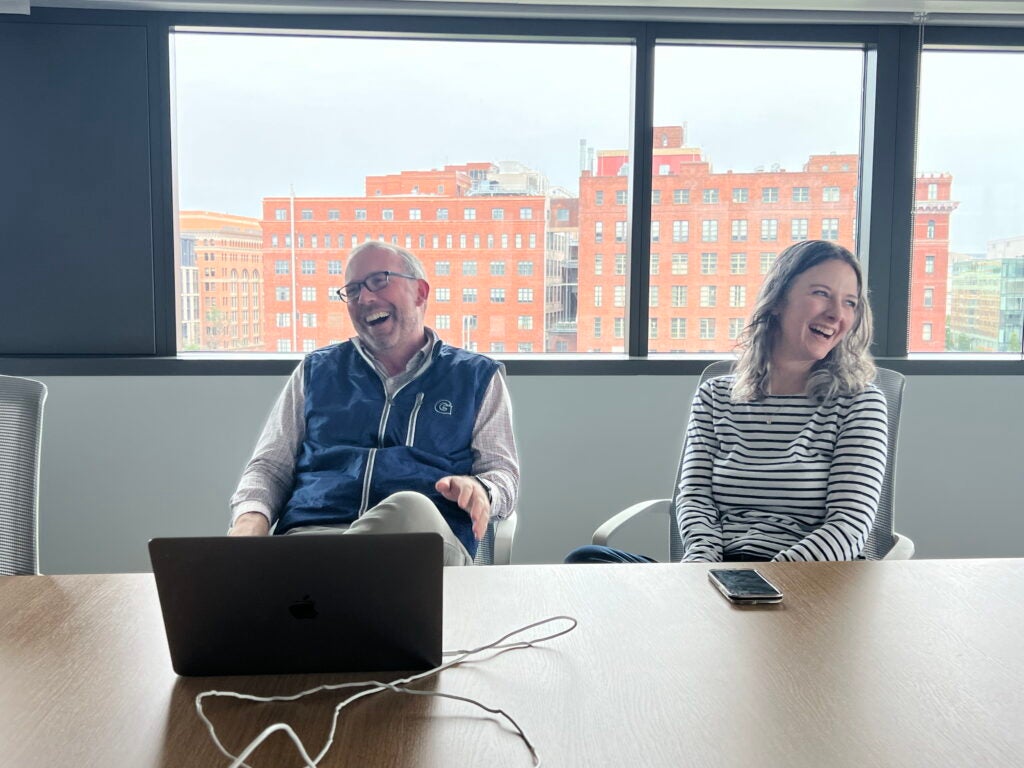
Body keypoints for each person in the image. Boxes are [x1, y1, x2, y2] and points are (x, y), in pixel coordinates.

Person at [566, 239, 887, 563]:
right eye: (821, 293)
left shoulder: (859, 404)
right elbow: (694, 498)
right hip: (716, 573)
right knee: (587, 561)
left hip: (805, 585)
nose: (836, 314)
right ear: (778, 300)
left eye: (850, 302)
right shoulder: (716, 396)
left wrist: (765, 583)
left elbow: (849, 526)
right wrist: (704, 571)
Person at [229, 241, 519, 566]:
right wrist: (249, 517)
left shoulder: (475, 376)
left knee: (411, 508)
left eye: (379, 281)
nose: (365, 298)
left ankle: (304, 586)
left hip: (421, 545)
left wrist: (480, 488)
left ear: (420, 293)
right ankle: (326, 583)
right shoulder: (316, 371)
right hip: (312, 537)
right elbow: (270, 466)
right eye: (352, 291)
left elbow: (502, 473)